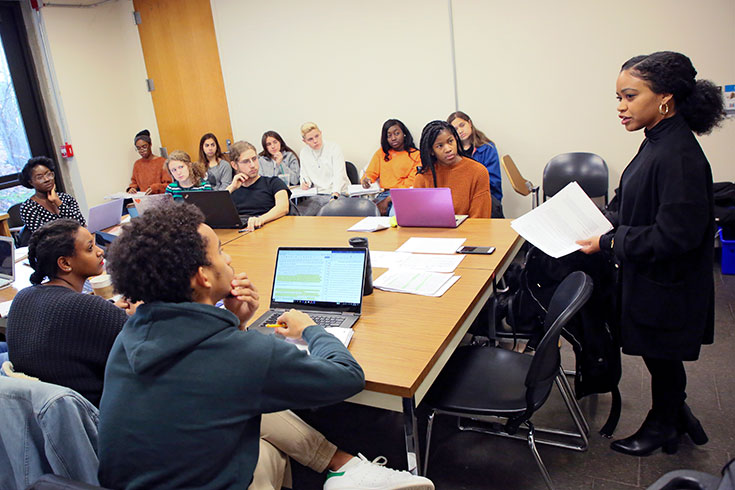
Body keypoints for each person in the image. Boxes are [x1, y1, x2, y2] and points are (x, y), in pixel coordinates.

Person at [98, 204, 434, 490]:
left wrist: (237, 322)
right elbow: (348, 376)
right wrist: (311, 328)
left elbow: (212, 381)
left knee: (252, 412)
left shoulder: (128, 337)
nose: (229, 258)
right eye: (220, 251)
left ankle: (345, 467)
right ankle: (345, 472)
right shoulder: (242, 354)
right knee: (266, 433)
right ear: (202, 277)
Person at [577, 51, 725, 456]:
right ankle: (675, 415)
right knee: (660, 357)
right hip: (650, 276)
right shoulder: (658, 141)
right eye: (618, 98)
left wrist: (609, 241)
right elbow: (637, 201)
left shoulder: (678, 155)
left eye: (629, 96)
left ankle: (665, 422)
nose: (620, 107)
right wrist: (601, 217)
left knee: (663, 355)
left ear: (665, 99)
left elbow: (676, 236)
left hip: (669, 282)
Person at [5, 219, 136, 407]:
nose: (100, 251)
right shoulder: (89, 308)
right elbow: (143, 344)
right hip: (95, 414)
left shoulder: (23, 296)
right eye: (90, 248)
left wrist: (108, 310)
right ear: (65, 263)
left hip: (47, 416)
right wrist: (138, 314)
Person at [413, 120, 491, 218]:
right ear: (431, 151)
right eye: (440, 146)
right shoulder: (423, 177)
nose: (448, 149)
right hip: (432, 232)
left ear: (456, 140)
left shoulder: (478, 172)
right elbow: (418, 218)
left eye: (450, 141)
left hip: (470, 232)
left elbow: (480, 219)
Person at [447, 111, 503, 217]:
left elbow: (493, 181)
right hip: (460, 198)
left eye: (462, 125)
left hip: (486, 195)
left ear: (470, 123)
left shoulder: (487, 148)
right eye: (455, 129)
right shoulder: (453, 152)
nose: (460, 131)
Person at [226, 141, 291, 232]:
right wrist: (231, 188)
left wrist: (260, 219)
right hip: (243, 234)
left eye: (254, 159)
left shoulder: (273, 182)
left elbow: (283, 207)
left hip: (271, 230)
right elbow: (215, 213)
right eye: (246, 161)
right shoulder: (232, 189)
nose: (252, 165)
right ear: (234, 165)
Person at [361, 119, 421, 215]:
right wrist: (365, 180)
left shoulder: (416, 155)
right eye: (389, 136)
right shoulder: (382, 153)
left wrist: (390, 199)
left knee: (394, 214)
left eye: (397, 133)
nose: (393, 138)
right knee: (365, 211)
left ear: (404, 134)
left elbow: (412, 183)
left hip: (404, 195)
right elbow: (370, 173)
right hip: (383, 194)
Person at [18, 156, 86, 235]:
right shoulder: (28, 207)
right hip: (53, 246)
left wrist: (58, 202)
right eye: (40, 177)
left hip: (77, 240)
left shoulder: (66, 198)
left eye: (49, 174)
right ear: (31, 182)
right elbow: (43, 235)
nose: (47, 179)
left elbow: (80, 224)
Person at [298, 122, 350, 215]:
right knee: (301, 216)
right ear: (304, 141)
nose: (315, 141)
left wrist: (335, 195)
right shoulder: (304, 153)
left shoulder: (334, 148)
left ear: (321, 133)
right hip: (317, 195)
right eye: (310, 139)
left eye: (317, 136)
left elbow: (339, 175)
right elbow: (304, 174)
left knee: (328, 214)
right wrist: (305, 183)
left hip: (338, 194)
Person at [127, 129, 172, 194]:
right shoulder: (137, 164)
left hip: (160, 198)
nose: (141, 150)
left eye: (144, 146)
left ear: (150, 145)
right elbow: (134, 183)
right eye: (138, 148)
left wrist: (155, 188)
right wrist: (132, 188)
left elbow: (169, 185)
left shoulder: (162, 162)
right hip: (143, 199)